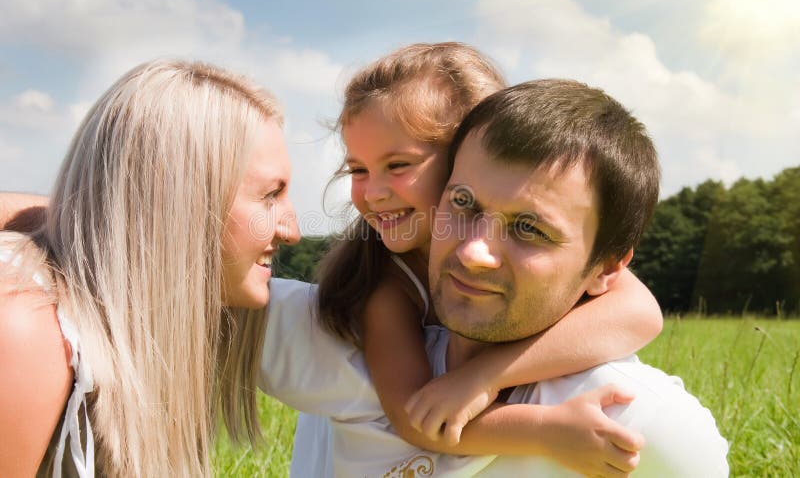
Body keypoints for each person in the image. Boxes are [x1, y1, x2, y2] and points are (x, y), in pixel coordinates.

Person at [264, 43, 661, 476]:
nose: (373, 192)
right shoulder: (386, 283)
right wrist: (545, 429)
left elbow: (640, 313)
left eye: (398, 165)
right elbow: (416, 417)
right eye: (358, 170)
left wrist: (484, 377)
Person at [409, 78, 728, 475]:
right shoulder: (357, 349)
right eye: (463, 203)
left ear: (607, 269)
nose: (474, 253)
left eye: (528, 228)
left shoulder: (640, 426)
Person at [0, 60, 300, 476]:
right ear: (184, 202)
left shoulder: (152, 324)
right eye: (270, 196)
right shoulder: (26, 330)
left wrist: (116, 222)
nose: (293, 230)